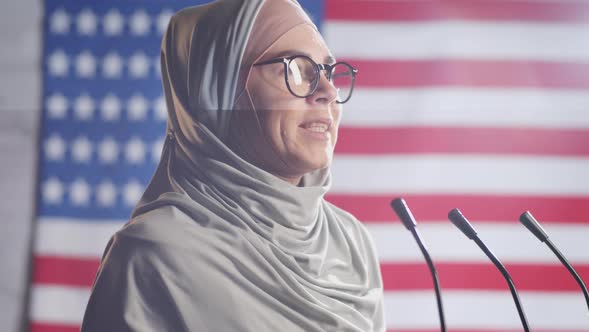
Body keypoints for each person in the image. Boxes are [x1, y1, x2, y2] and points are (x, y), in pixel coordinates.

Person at [81, 0, 385, 331]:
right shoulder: (153, 257)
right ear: (216, 91)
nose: (326, 91)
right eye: (297, 69)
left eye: (327, 71)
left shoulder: (352, 241)